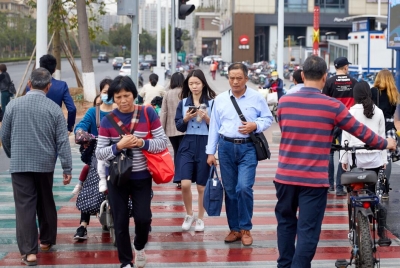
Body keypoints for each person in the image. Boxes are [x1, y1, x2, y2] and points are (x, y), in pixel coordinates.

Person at [274, 55, 395, 268]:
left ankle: (284, 265)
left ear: (302, 75)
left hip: (284, 177)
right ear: (324, 77)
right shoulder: (333, 106)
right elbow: (363, 134)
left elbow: (286, 129)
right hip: (313, 181)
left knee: (285, 224)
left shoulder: (284, 102)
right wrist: (387, 143)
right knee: (308, 230)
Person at [0, 68, 72, 266]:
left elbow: (4, 136)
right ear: (48, 87)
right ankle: (46, 241)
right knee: (46, 200)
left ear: (29, 84)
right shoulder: (54, 109)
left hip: (20, 165)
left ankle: (29, 253)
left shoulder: (13, 106)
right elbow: (62, 142)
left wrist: (12, 154)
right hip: (45, 164)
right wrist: (67, 168)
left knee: (25, 207)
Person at [96, 75, 168, 268]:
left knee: (143, 218)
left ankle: (139, 246)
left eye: (126, 95)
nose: (123, 101)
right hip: (117, 178)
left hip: (142, 176)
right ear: (113, 98)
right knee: (119, 222)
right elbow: (100, 153)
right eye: (118, 97)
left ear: (134, 95)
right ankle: (125, 262)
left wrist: (142, 143)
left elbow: (162, 142)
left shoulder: (148, 113)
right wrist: (118, 146)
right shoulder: (107, 121)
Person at [206, 62, 273, 246]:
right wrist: (211, 152)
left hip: (248, 148)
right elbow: (214, 127)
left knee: (243, 188)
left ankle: (246, 229)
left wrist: (255, 125)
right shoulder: (219, 99)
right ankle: (234, 229)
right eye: (232, 78)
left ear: (246, 78)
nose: (235, 82)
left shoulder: (256, 97)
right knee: (230, 191)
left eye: (239, 78)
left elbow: (268, 118)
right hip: (225, 147)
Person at [72, 78, 114, 240]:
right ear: (100, 93)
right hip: (97, 157)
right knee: (90, 183)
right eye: (105, 92)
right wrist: (82, 133)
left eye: (111, 93)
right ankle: (83, 225)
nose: (108, 96)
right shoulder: (93, 113)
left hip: (118, 155)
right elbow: (80, 127)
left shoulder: (122, 112)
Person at [174, 69, 216, 232]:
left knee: (201, 187)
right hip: (188, 142)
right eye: (191, 84)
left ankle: (200, 218)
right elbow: (178, 125)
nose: (194, 86)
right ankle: (189, 214)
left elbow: (217, 126)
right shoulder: (183, 103)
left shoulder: (212, 102)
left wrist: (206, 118)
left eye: (197, 83)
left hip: (205, 143)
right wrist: (186, 118)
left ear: (203, 83)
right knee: (184, 183)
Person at [340, 81, 387, 192]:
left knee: (354, 188)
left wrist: (344, 159)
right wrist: (384, 160)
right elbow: (382, 137)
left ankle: (355, 205)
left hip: (356, 158)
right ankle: (373, 206)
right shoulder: (379, 112)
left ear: (355, 95)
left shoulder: (350, 112)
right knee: (372, 189)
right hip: (374, 158)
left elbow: (346, 138)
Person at [322, 56, 358, 196]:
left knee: (330, 152)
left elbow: (324, 102)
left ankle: (330, 184)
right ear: (345, 67)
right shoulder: (354, 82)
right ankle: (339, 187)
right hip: (347, 121)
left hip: (331, 121)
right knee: (344, 152)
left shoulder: (329, 82)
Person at [26, 54, 77, 134]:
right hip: (54, 127)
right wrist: (69, 127)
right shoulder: (61, 85)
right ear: (54, 69)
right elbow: (72, 109)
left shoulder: (31, 86)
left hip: (33, 127)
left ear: (40, 67)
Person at [371, 69, 400, 198]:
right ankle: (385, 187)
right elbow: (393, 112)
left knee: (373, 155)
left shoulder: (373, 92)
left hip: (375, 126)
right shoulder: (393, 93)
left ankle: (374, 184)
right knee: (387, 159)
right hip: (389, 127)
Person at [159, 72, 185, 189]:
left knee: (176, 152)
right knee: (184, 153)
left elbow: (163, 112)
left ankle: (178, 178)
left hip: (171, 128)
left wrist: (161, 130)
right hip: (184, 128)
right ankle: (183, 177)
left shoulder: (168, 94)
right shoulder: (186, 93)